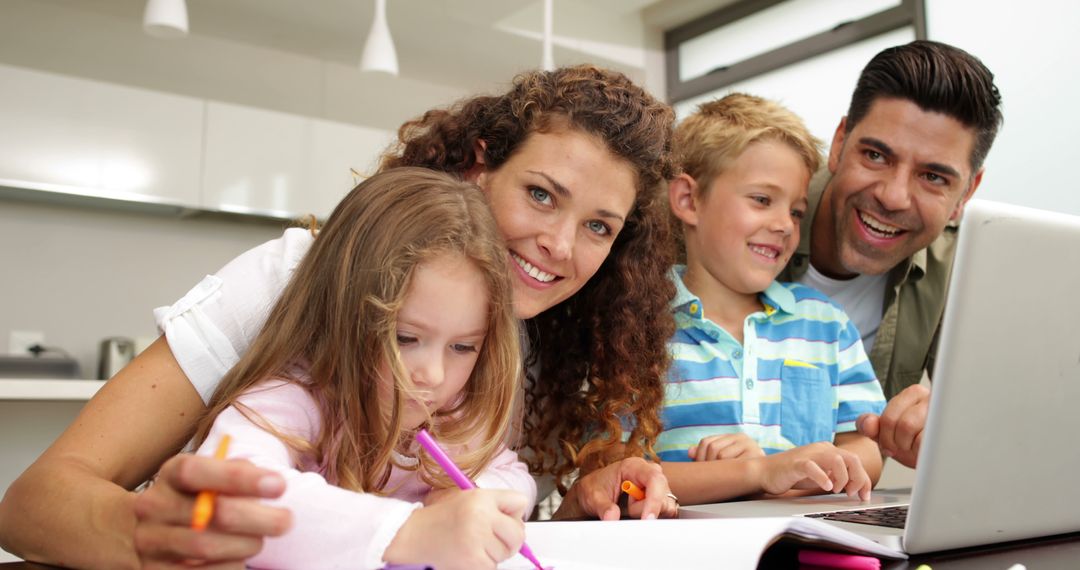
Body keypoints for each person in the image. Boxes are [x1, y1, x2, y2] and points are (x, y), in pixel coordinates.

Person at [0, 65, 678, 569]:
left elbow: (489, 488)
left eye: (598, 226)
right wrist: (155, 532)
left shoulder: (536, 340)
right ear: (478, 169)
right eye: (540, 194)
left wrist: (585, 488)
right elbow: (32, 505)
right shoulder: (293, 284)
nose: (560, 245)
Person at [179, 168, 532, 568]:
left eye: (463, 346)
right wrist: (413, 531)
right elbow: (225, 495)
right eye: (404, 338)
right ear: (343, 315)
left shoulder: (448, 419)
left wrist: (463, 498)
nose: (432, 375)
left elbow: (511, 474)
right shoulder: (292, 399)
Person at [776, 40, 1004, 470]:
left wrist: (953, 430)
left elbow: (1001, 432)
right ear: (840, 142)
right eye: (876, 155)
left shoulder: (964, 268)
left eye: (933, 176)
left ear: (966, 194)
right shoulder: (738, 217)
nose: (893, 196)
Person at [658, 93, 887, 506]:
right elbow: (613, 473)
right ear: (689, 200)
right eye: (762, 200)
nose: (783, 225)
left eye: (796, 212)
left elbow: (866, 451)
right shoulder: (636, 327)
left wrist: (791, 473)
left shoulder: (826, 323)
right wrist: (752, 473)